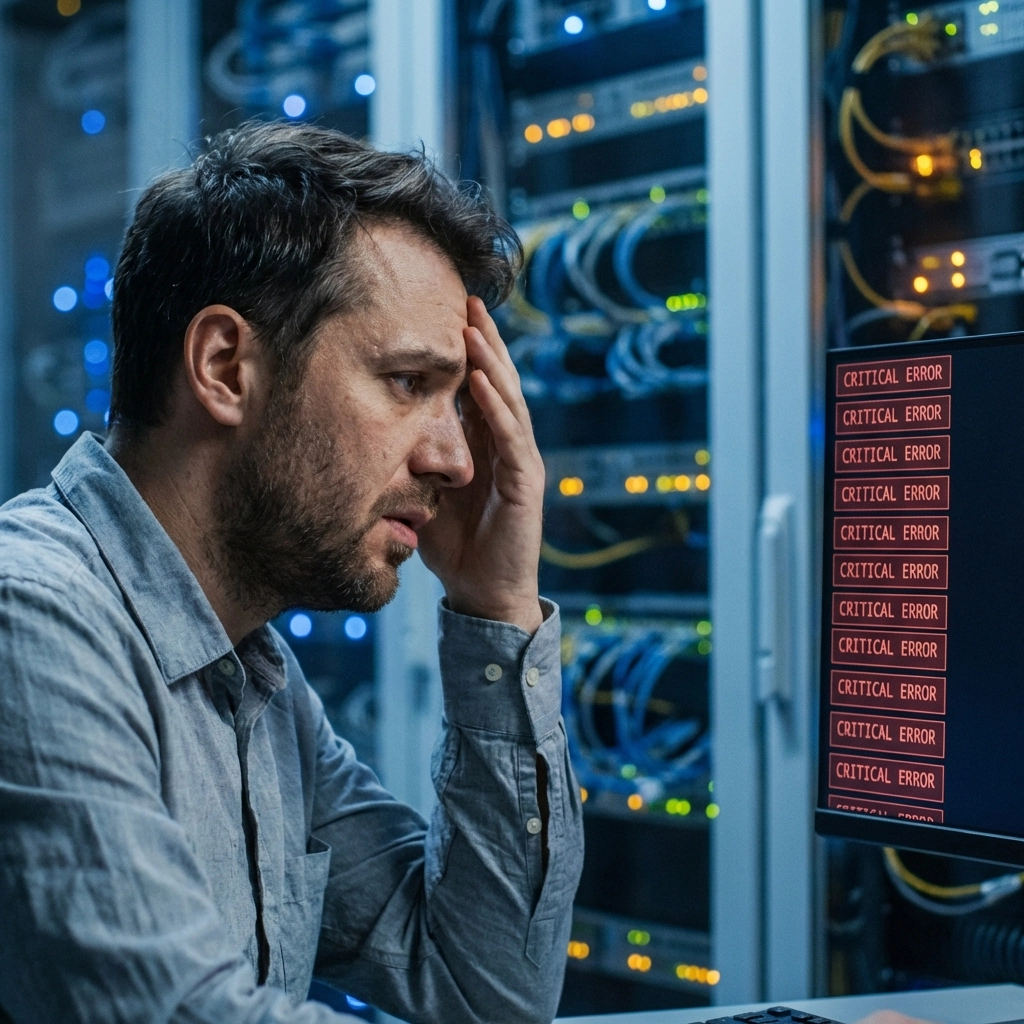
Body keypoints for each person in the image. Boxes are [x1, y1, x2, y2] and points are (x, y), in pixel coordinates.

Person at [0, 121, 584, 1023]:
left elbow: (487, 994)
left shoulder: (259, 686)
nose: (457, 462)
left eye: (458, 404)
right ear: (225, 366)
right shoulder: (31, 621)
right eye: (405, 383)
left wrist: (496, 610)